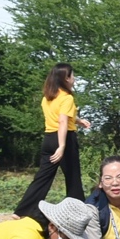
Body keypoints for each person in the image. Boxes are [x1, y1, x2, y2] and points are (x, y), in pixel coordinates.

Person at [14, 62, 91, 217]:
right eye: (72, 75)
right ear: (65, 79)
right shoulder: (67, 98)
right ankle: (78, 212)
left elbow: (61, 116)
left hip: (49, 138)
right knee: (73, 177)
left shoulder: (47, 98)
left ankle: (22, 211)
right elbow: (62, 121)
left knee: (43, 177)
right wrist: (62, 146)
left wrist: (78, 120)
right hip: (64, 139)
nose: (74, 78)